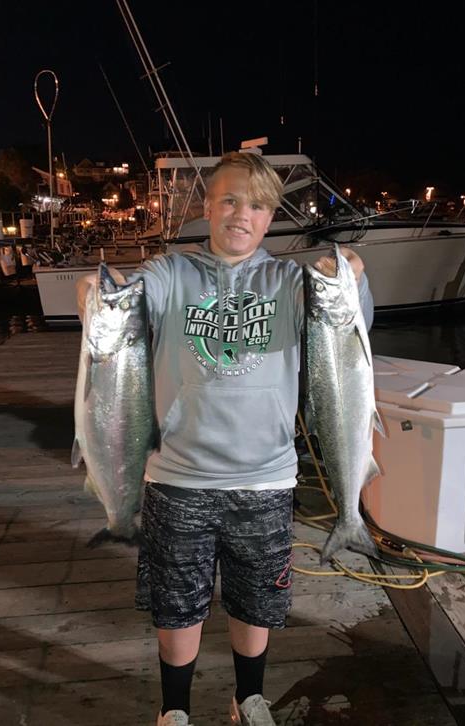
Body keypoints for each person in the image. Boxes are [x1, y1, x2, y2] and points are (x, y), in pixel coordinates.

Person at [78, 152, 373, 726]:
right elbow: (117, 296)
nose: (242, 214)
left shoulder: (290, 281)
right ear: (209, 206)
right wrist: (92, 293)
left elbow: (349, 320)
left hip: (266, 478)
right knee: (177, 607)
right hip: (177, 478)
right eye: (231, 200)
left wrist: (352, 278)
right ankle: (175, 710)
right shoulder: (172, 273)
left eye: (257, 205)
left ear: (270, 220)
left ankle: (248, 698)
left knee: (256, 599)